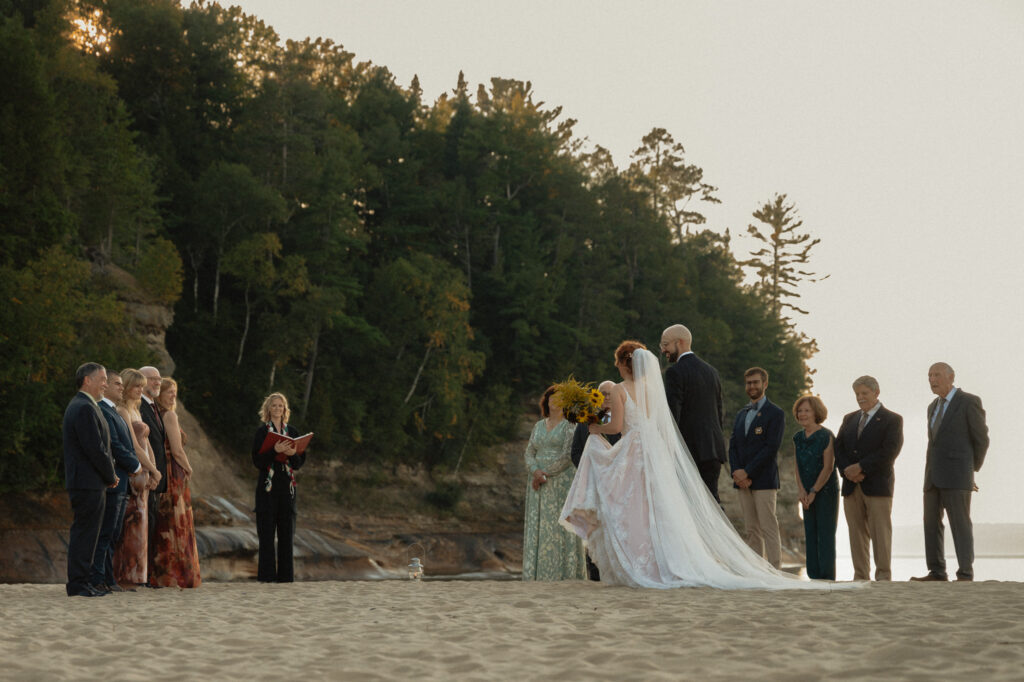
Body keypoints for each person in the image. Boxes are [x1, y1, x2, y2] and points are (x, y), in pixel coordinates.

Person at [560, 343, 847, 590]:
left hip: (634, 449)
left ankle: (638, 563)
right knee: (656, 510)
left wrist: (593, 426)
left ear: (623, 364)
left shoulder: (621, 390)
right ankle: (660, 561)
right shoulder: (652, 390)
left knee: (631, 507)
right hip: (654, 452)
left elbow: (618, 425)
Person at [912, 363, 989, 582]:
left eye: (936, 375)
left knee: (960, 524)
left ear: (951, 377)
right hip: (932, 476)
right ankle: (936, 571)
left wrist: (970, 470)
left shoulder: (969, 402)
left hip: (958, 475)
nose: (932, 379)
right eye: (929, 375)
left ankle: (965, 572)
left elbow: (981, 439)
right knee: (930, 524)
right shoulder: (932, 406)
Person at [834, 376, 904, 581]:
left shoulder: (893, 419)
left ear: (876, 392)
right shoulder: (849, 418)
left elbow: (889, 452)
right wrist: (848, 470)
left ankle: (883, 577)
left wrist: (861, 468)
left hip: (877, 485)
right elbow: (838, 448)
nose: (860, 397)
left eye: (864, 393)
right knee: (856, 534)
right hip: (850, 485)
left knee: (880, 534)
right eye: (857, 394)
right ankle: (860, 576)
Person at [62, 362, 118, 597]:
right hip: (87, 482)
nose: (105, 383)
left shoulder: (86, 405)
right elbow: (95, 449)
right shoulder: (83, 407)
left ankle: (83, 582)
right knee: (85, 533)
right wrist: (110, 475)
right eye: (103, 379)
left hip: (89, 481)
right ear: (87, 380)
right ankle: (78, 584)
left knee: (88, 532)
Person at [522, 386, 587, 581]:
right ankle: (537, 574)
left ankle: (561, 574)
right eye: (552, 396)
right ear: (547, 400)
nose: (554, 400)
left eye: (560, 397)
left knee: (558, 527)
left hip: (560, 481)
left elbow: (568, 455)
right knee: (540, 526)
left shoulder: (570, 425)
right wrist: (535, 471)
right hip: (537, 482)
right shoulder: (539, 426)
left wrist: (546, 474)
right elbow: (529, 452)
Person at [660, 324, 727, 503]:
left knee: (689, 505)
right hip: (712, 450)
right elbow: (719, 412)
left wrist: (669, 447)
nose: (663, 350)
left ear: (679, 342)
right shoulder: (712, 371)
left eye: (665, 344)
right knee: (712, 503)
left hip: (690, 450)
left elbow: (674, 414)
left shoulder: (675, 372)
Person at [728, 367, 785, 569]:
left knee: (768, 527)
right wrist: (736, 472)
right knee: (751, 529)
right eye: (749, 383)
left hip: (764, 480)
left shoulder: (775, 413)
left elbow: (771, 448)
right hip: (742, 481)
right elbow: (733, 445)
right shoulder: (742, 414)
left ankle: (775, 570)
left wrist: (748, 472)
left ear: (764, 384)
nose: (752, 386)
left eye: (755, 382)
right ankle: (756, 570)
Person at [149, 378, 201, 588]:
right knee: (177, 521)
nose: (173, 395)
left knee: (165, 522)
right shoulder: (169, 415)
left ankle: (164, 574)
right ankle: (179, 574)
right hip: (173, 472)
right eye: (168, 392)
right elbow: (177, 450)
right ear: (160, 394)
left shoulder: (156, 415)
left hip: (165, 469)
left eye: (175, 392)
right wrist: (188, 467)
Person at [93, 371, 142, 593]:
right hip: (114, 481)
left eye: (122, 384)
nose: (121, 387)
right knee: (107, 532)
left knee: (114, 533)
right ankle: (100, 578)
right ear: (106, 387)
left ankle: (108, 578)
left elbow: (127, 444)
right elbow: (114, 445)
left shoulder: (114, 411)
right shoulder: (102, 411)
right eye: (117, 384)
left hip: (122, 481)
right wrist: (136, 466)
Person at [252, 392, 307, 582]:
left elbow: (298, 464)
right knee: (266, 535)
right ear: (268, 409)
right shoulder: (262, 432)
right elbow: (257, 462)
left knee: (286, 534)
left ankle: (285, 578)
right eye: (274, 406)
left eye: (280, 406)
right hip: (267, 489)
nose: (277, 409)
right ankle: (266, 577)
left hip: (287, 488)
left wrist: (292, 454)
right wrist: (273, 451)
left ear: (285, 410)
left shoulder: (292, 431)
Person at [113, 368, 160, 587]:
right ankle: (125, 574)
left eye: (142, 386)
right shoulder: (122, 410)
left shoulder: (136, 410)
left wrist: (153, 470)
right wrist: (149, 468)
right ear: (127, 386)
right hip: (133, 470)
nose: (140, 390)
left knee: (141, 523)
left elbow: (147, 444)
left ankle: (138, 575)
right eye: (137, 386)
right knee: (130, 524)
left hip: (144, 470)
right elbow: (133, 446)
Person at [568, 381, 618, 582]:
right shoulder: (586, 421)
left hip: (616, 485)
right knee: (593, 527)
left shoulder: (623, 421)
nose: (606, 397)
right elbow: (575, 452)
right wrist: (591, 471)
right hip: (593, 485)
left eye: (610, 393)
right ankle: (594, 574)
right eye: (602, 393)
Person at [792, 395, 839, 580]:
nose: (802, 414)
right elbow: (797, 467)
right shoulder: (797, 437)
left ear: (816, 413)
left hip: (826, 491)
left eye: (807, 410)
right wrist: (801, 491)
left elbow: (828, 468)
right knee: (810, 533)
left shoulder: (826, 435)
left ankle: (827, 577)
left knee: (825, 534)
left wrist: (813, 491)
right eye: (800, 410)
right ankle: (813, 576)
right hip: (805, 493)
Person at [138, 365, 168, 575]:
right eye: (152, 379)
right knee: (145, 525)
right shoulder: (139, 406)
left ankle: (148, 573)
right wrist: (150, 472)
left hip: (156, 477)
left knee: (152, 524)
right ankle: (144, 574)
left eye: (159, 379)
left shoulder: (154, 407)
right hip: (145, 476)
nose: (158, 382)